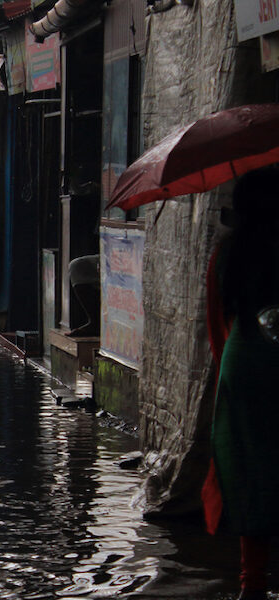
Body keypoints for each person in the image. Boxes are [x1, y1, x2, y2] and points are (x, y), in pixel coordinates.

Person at [203, 166, 279, 600]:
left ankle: (253, 582)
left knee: (250, 470)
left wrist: (229, 368)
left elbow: (218, 325)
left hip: (242, 362)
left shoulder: (227, 253)